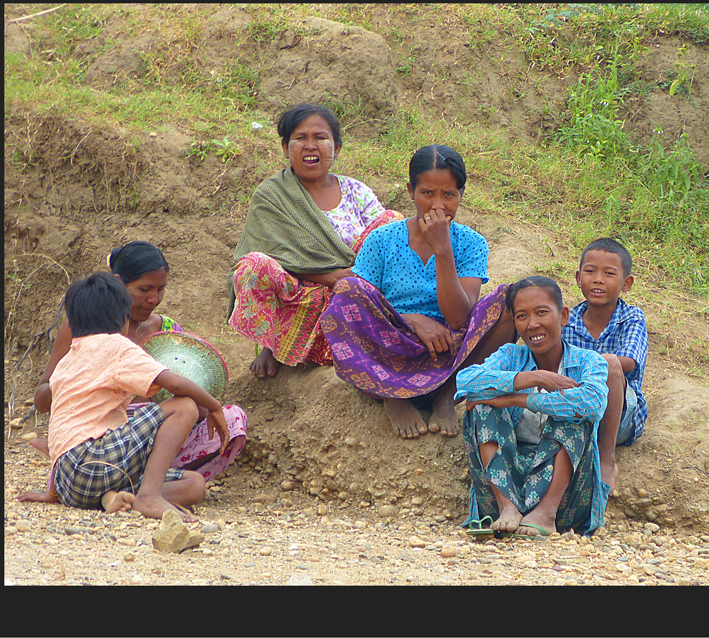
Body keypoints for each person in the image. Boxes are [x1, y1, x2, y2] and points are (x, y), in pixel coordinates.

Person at [320, 144, 516, 440]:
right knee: (347, 288)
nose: (438, 205)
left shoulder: (472, 243)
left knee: (512, 300)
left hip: (450, 348)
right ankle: (393, 395)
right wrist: (411, 319)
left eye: (449, 195)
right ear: (411, 191)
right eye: (427, 193)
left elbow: (460, 316)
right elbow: (364, 309)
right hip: (390, 346)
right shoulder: (383, 239)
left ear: (461, 195)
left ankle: (448, 394)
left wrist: (443, 250)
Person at [17, 272, 230, 522]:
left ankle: (114, 497)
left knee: (194, 484)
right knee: (184, 406)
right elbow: (175, 384)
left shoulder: (69, 359)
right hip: (95, 461)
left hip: (70, 484)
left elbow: (63, 424)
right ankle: (149, 497)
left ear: (72, 324)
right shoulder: (117, 346)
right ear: (123, 319)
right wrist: (215, 407)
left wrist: (55, 491)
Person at [30, 240, 248, 483]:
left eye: (160, 289)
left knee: (231, 419)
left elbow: (194, 398)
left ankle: (135, 480)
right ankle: (142, 484)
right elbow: (41, 399)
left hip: (155, 434)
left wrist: (199, 405)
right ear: (118, 284)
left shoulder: (168, 333)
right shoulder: (82, 327)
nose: (154, 299)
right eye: (145, 289)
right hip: (98, 436)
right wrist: (75, 382)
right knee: (183, 407)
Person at [228, 103, 403, 378]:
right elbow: (273, 252)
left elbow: (383, 245)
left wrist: (350, 278)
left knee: (393, 221)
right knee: (252, 265)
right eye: (300, 138)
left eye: (320, 138)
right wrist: (330, 276)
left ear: (337, 148)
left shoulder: (356, 191)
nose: (310, 146)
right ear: (286, 149)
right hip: (298, 294)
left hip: (353, 288)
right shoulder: (272, 195)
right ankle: (274, 345)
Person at [456, 276, 610, 537]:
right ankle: (508, 508)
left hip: (565, 499)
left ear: (563, 315)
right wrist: (533, 378)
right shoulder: (510, 355)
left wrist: (516, 399)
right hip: (507, 482)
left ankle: (545, 514)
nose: (532, 324)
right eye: (522, 316)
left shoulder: (588, 361)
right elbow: (465, 382)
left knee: (571, 409)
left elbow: (593, 404)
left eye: (541, 313)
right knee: (482, 406)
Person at [561, 237, 648, 495]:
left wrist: (585, 365)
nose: (598, 279)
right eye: (590, 271)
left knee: (611, 364)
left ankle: (606, 456)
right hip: (577, 408)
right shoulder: (568, 320)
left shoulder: (631, 317)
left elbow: (630, 362)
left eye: (609, 274)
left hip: (621, 417)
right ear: (578, 278)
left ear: (626, 283)